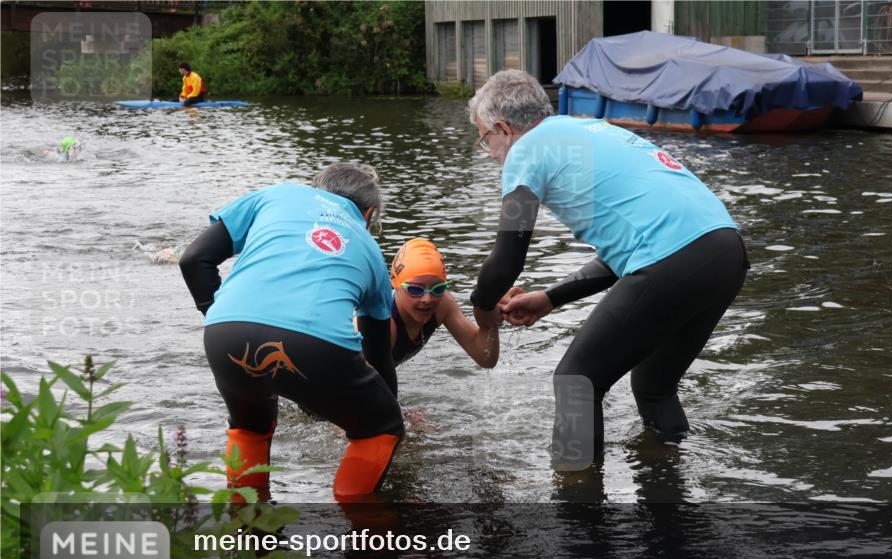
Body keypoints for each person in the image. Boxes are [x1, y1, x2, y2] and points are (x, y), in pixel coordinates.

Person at [467, 70, 750, 471]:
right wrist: (550, 298)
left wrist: (481, 309)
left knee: (576, 381)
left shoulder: (525, 150)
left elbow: (506, 262)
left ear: (502, 128)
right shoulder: (593, 131)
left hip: (675, 258)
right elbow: (636, 248)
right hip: (724, 253)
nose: (491, 152)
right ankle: (670, 498)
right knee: (653, 387)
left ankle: (578, 515)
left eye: (485, 140)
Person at [179, 163, 403, 501]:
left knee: (249, 427)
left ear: (318, 189)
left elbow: (193, 259)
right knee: (382, 428)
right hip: (315, 345)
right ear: (369, 213)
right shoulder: (370, 250)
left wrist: (226, 321)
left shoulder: (278, 194)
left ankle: (247, 531)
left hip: (225, 331)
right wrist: (385, 407)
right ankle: (359, 532)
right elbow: (378, 352)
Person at [387, 238, 499, 368]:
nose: (427, 299)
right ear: (396, 285)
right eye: (415, 289)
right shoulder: (384, 323)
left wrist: (487, 313)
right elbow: (364, 380)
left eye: (438, 289)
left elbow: (485, 357)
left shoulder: (442, 305)